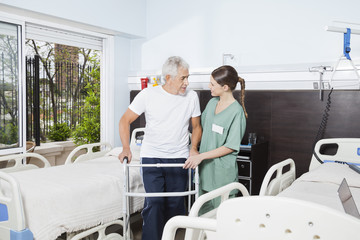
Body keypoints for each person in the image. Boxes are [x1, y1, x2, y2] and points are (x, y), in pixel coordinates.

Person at [118, 56, 202, 240]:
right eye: (183, 78)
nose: (187, 83)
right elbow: (125, 120)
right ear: (169, 77)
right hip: (152, 157)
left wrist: (193, 148)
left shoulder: (192, 96)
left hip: (179, 158)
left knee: (175, 205)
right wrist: (126, 148)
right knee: (154, 203)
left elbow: (196, 127)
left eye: (188, 77)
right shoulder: (148, 95)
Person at [183, 65, 248, 214]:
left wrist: (201, 156)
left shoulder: (236, 112)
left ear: (225, 87)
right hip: (205, 172)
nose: (209, 86)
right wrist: (193, 148)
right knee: (202, 216)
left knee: (221, 219)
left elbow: (230, 147)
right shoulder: (212, 104)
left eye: (212, 84)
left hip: (222, 176)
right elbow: (200, 129)